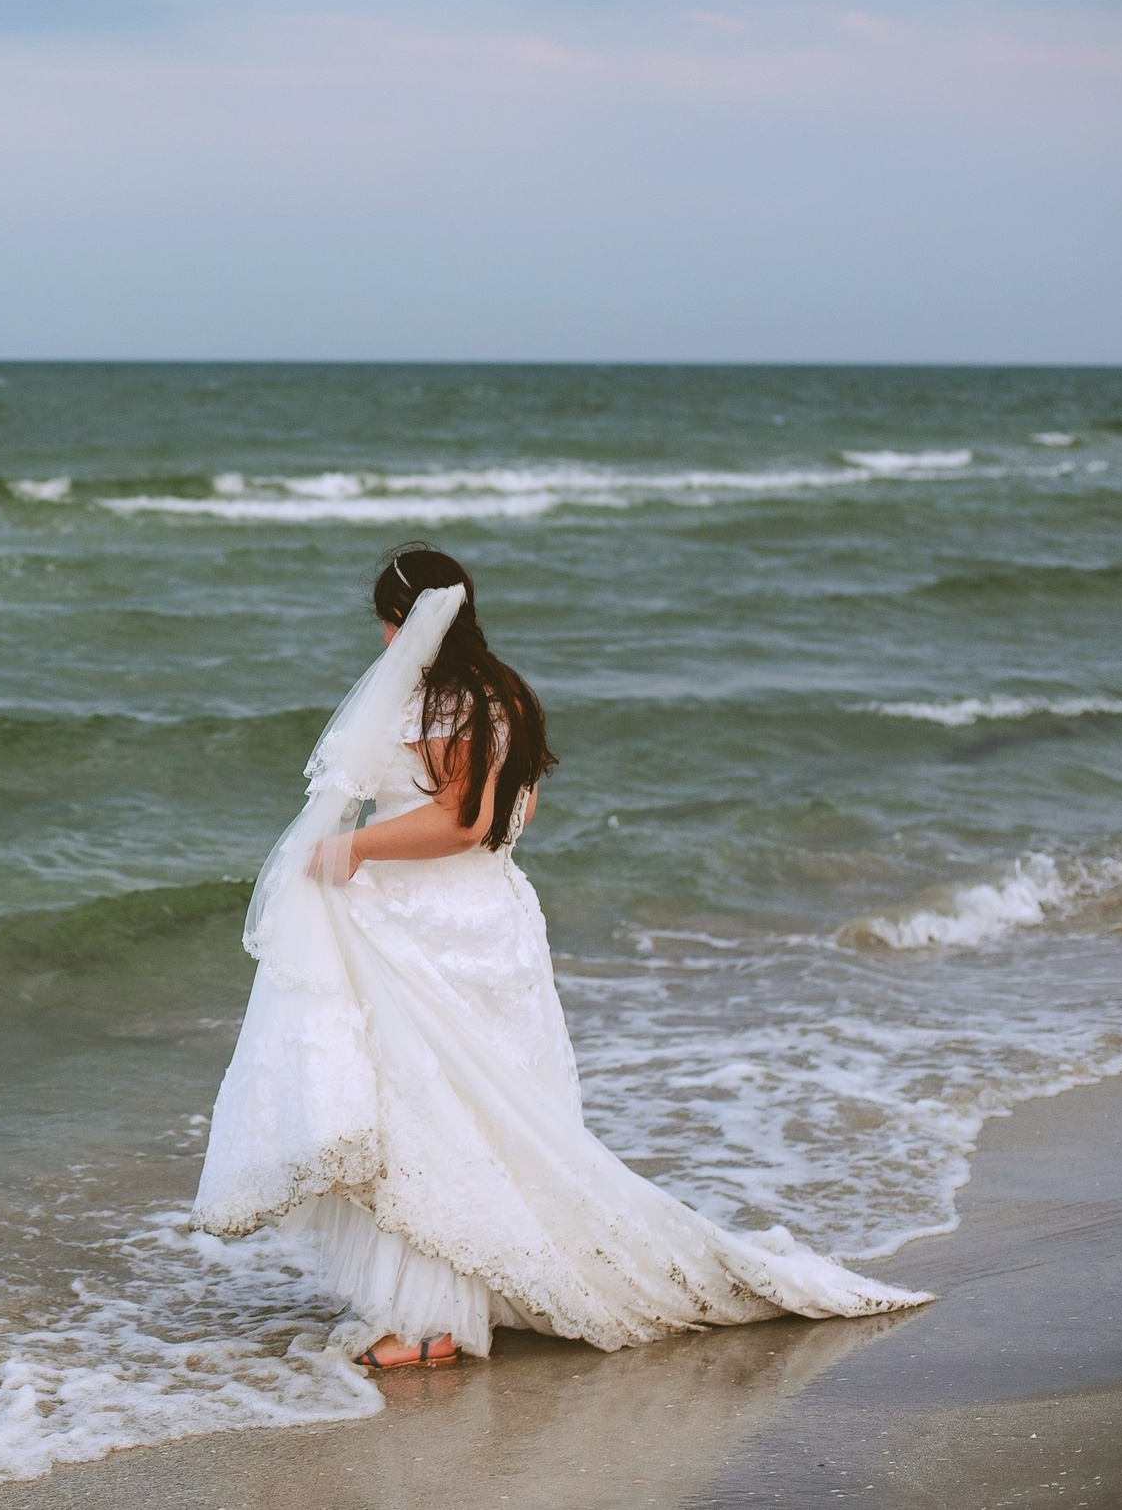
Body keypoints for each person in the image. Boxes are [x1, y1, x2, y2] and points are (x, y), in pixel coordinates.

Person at [190, 543, 927, 1372]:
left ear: (407, 619)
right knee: (480, 1119)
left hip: (433, 932)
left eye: (388, 624)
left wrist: (356, 847)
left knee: (437, 1120)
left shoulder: (442, 703)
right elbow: (516, 813)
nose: (386, 641)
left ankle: (435, 1320)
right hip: (493, 917)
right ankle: (474, 1290)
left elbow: (465, 820)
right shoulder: (506, 691)